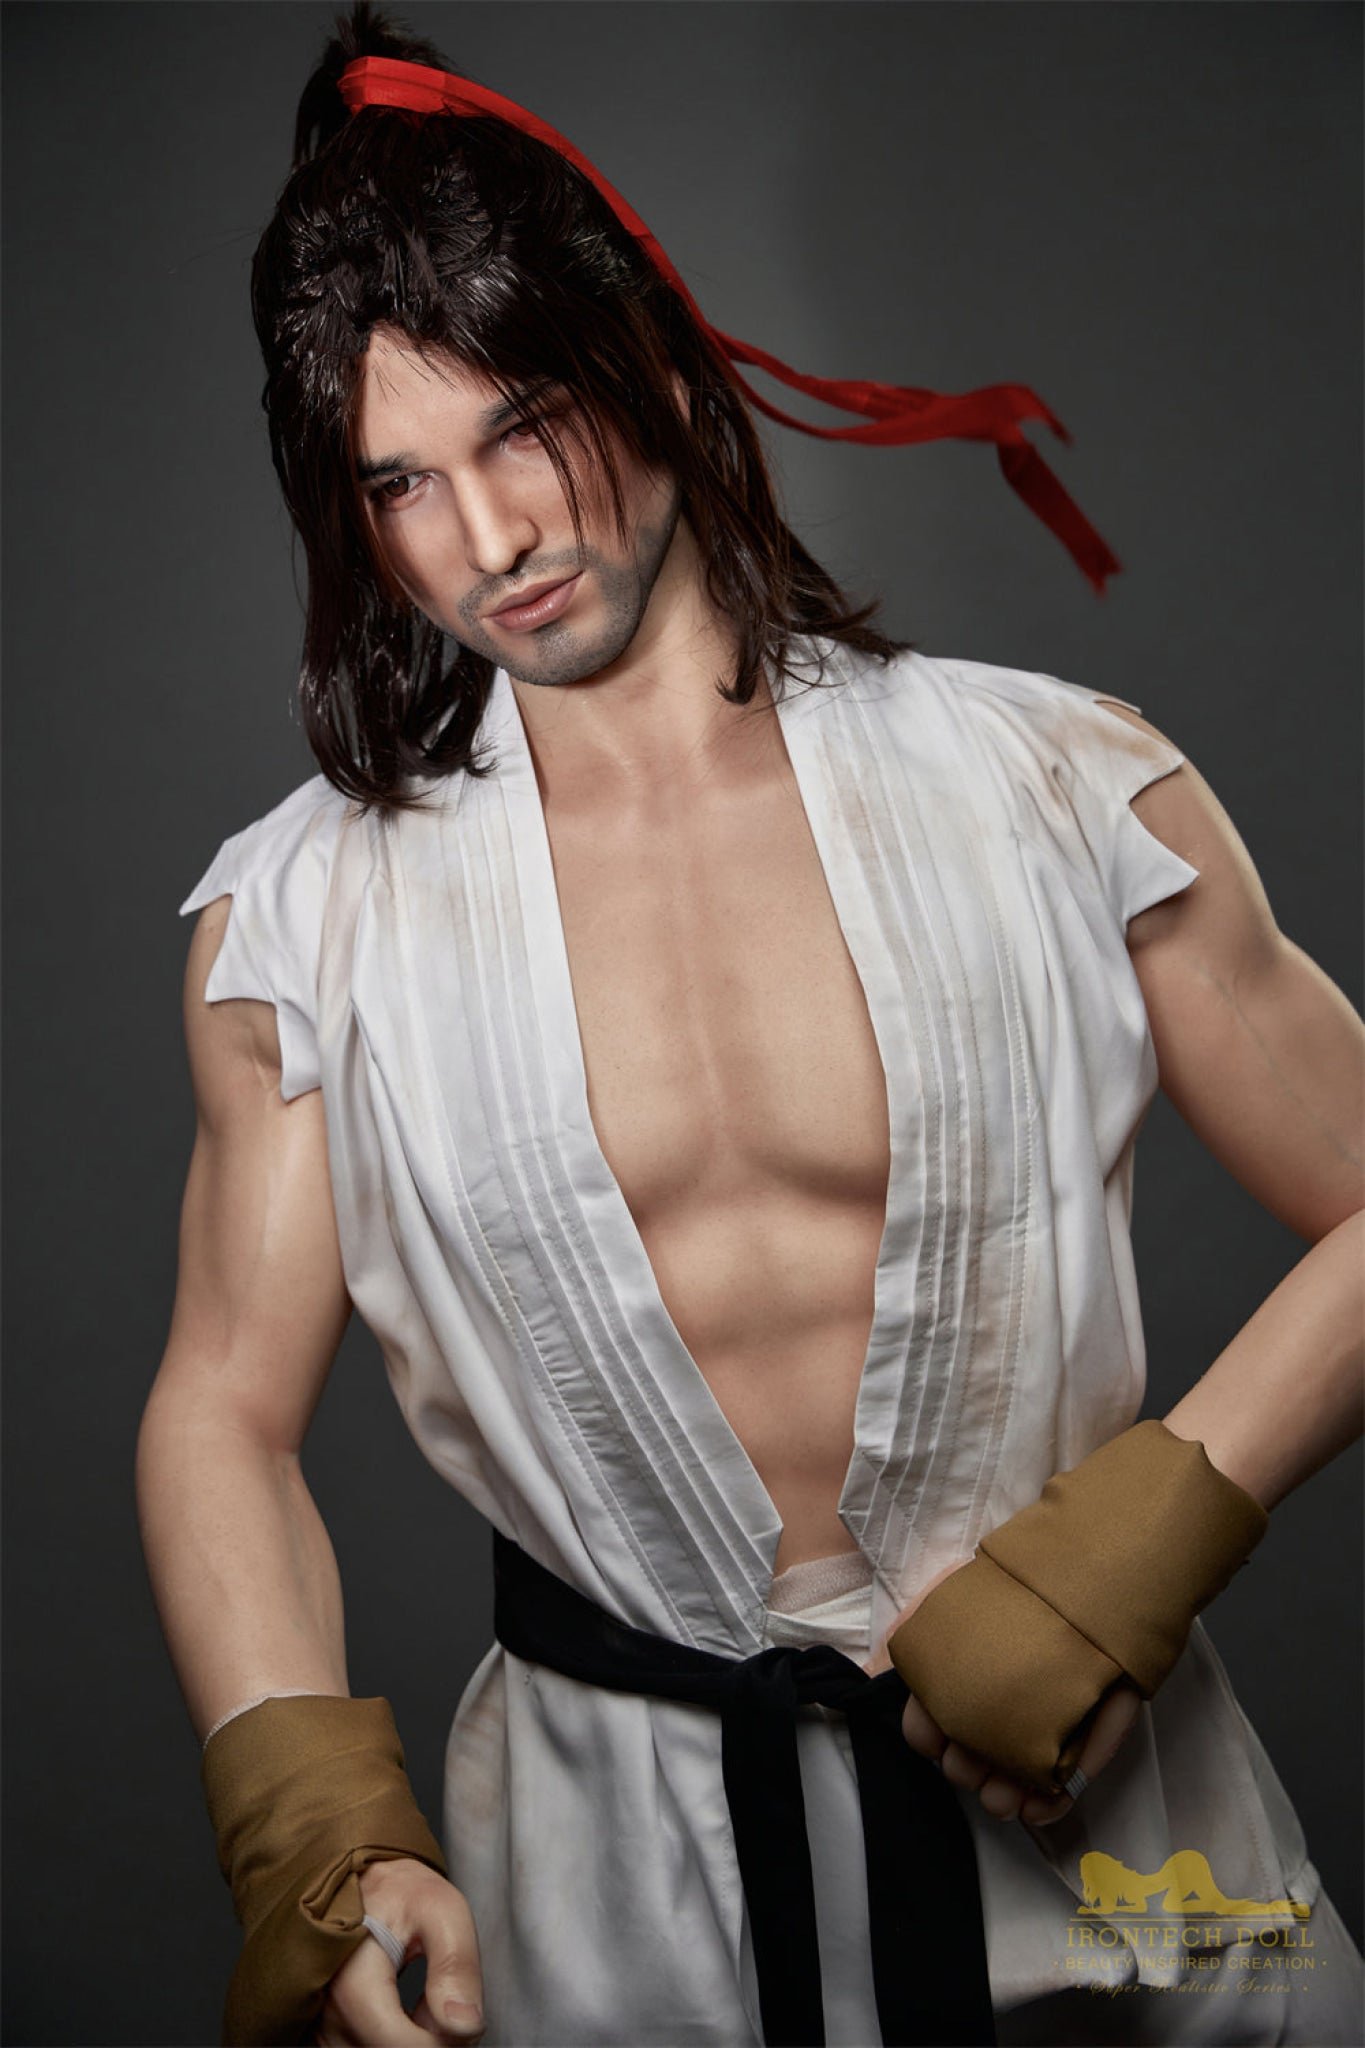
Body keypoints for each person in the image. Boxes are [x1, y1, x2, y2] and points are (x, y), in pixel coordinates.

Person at [136, 7, 1365, 2046]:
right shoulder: (298, 928)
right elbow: (221, 1407)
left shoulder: (1063, 787)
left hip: (1118, 1854)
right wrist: (315, 1831)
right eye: (400, 482)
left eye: (523, 426)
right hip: (606, 1888)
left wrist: (1139, 1544)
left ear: (652, 358)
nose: (488, 542)